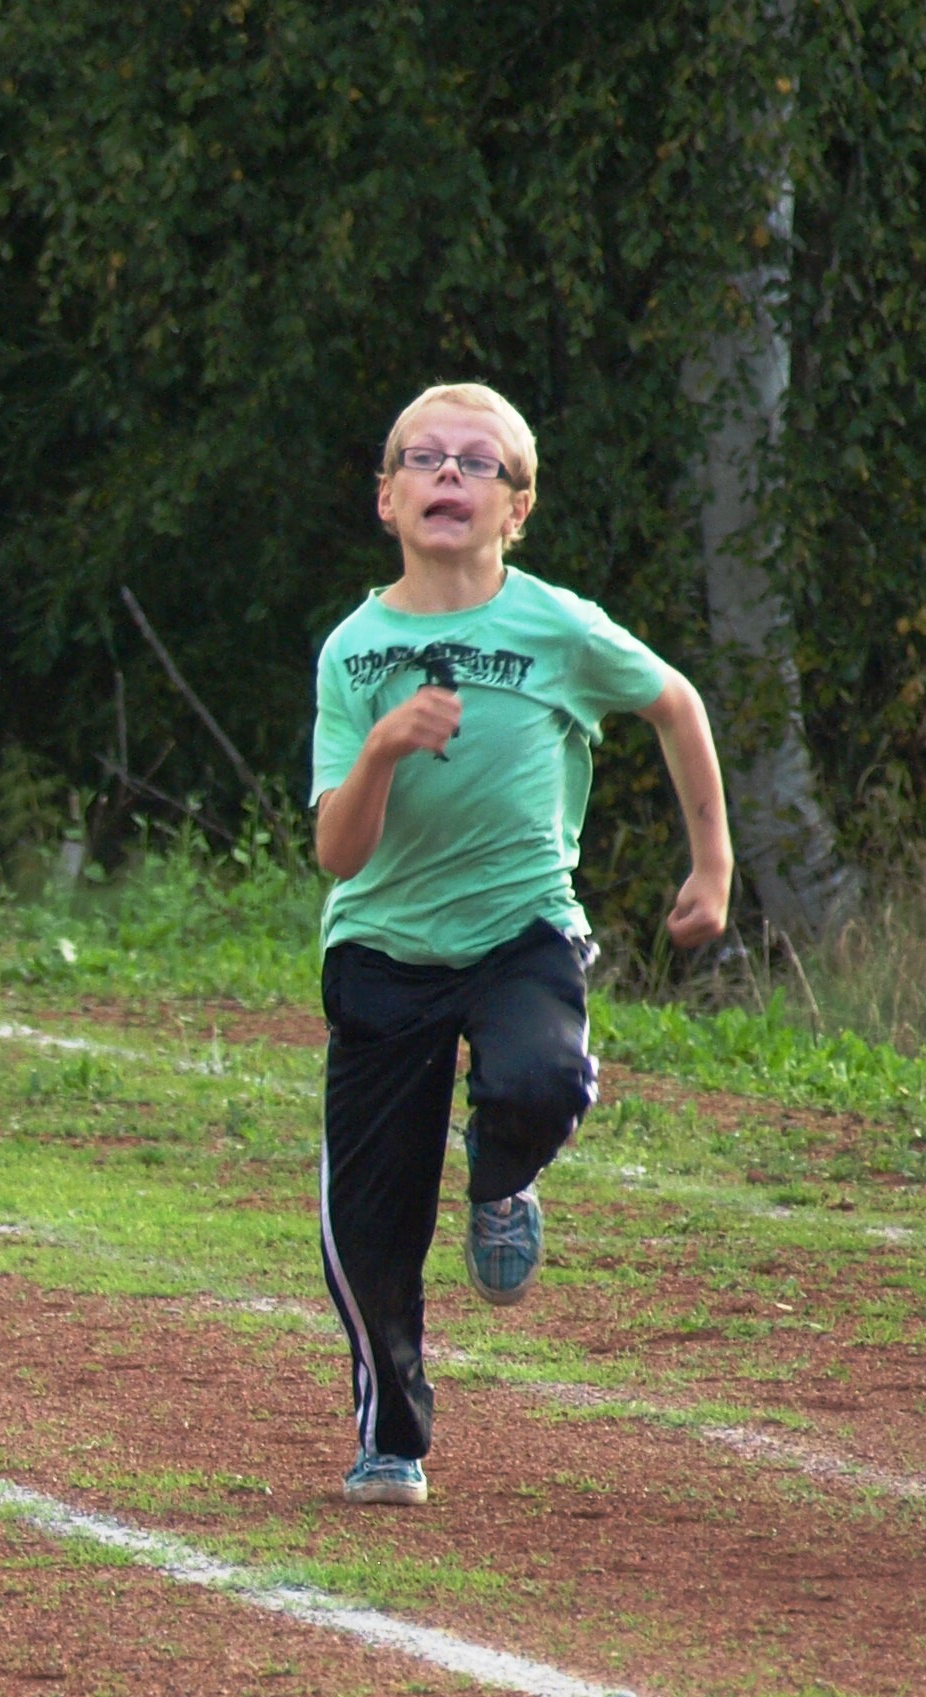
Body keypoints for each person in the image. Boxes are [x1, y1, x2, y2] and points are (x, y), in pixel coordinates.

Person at [310, 382, 730, 1508]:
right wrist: (386, 749)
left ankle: (504, 1180)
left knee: (540, 1077)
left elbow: (676, 704)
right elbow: (337, 853)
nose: (450, 475)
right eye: (425, 459)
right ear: (387, 497)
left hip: (521, 931)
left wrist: (713, 867)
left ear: (518, 506)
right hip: (384, 949)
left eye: (478, 463)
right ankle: (392, 1434)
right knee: (369, 1230)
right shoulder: (355, 653)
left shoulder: (555, 625)